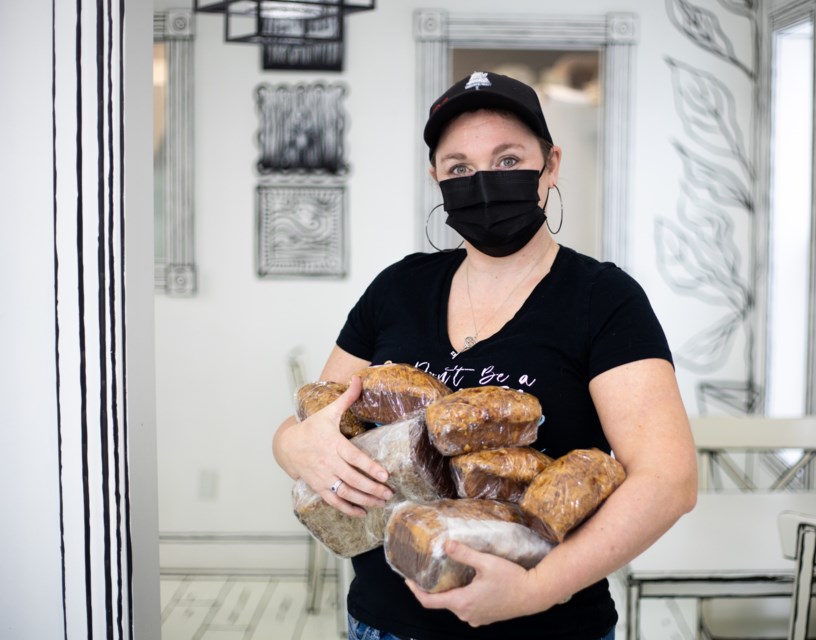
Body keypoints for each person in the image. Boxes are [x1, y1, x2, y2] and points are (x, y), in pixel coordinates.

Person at [273, 70, 697, 640]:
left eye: (507, 160)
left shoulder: (602, 298)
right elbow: (313, 423)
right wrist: (294, 446)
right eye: (459, 168)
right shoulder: (397, 288)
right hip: (383, 624)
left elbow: (669, 481)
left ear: (550, 164)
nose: (483, 182)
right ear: (436, 179)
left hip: (548, 626)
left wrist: (538, 589)